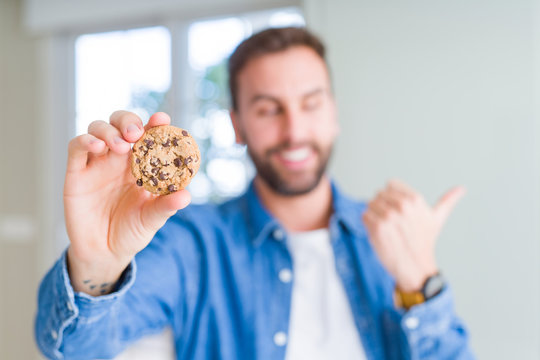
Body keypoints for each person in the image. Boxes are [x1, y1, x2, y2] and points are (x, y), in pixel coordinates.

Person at [35, 27, 474, 360]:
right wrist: (97, 264)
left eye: (311, 102)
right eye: (268, 109)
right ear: (238, 125)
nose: (295, 130)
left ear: (334, 112)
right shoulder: (192, 242)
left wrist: (422, 285)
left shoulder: (390, 240)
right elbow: (74, 349)